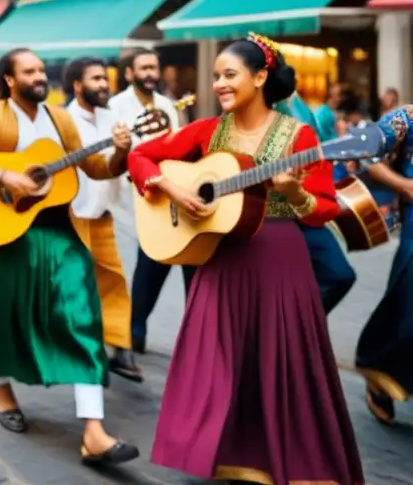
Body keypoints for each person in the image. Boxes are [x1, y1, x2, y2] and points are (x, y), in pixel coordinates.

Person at [126, 35, 362, 484]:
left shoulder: (300, 136)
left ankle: (283, 457)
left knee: (281, 360)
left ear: (259, 77)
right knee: (213, 358)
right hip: (220, 258)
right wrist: (171, 187)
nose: (218, 84)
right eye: (216, 76)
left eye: (228, 74)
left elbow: (326, 207)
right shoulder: (207, 131)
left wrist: (295, 195)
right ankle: (217, 449)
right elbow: (140, 157)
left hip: (278, 260)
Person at [0, 48, 139, 465]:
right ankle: (2, 390)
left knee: (83, 315)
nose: (40, 76)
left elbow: (97, 168)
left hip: (62, 232)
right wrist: (4, 175)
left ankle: (94, 430)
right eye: (30, 71)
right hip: (12, 233)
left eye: (42, 70)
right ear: (9, 79)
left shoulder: (60, 120)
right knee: (5, 317)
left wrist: (121, 151)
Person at [109, 49, 191, 353]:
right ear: (129, 73)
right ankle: (133, 328)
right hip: (127, 196)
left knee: (157, 259)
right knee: (149, 259)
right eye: (143, 68)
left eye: (153, 67)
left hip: (165, 191)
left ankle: (139, 328)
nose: (150, 74)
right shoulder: (115, 106)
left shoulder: (168, 106)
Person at [65, 58, 141, 382]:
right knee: (75, 290)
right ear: (77, 85)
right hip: (72, 216)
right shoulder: (64, 121)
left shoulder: (114, 118)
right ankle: (78, 353)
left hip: (103, 215)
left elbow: (117, 164)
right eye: (95, 78)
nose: (103, 84)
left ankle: (120, 348)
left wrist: (123, 151)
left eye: (104, 77)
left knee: (114, 282)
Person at [274, 92, 357, 313]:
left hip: (306, 204)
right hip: (268, 213)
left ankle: (301, 326)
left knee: (340, 274)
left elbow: (318, 142)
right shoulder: (256, 104)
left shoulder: (299, 103)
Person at [357, 105, 413, 425]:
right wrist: (404, 185)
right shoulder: (406, 118)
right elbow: (364, 152)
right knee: (405, 316)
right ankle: (380, 376)